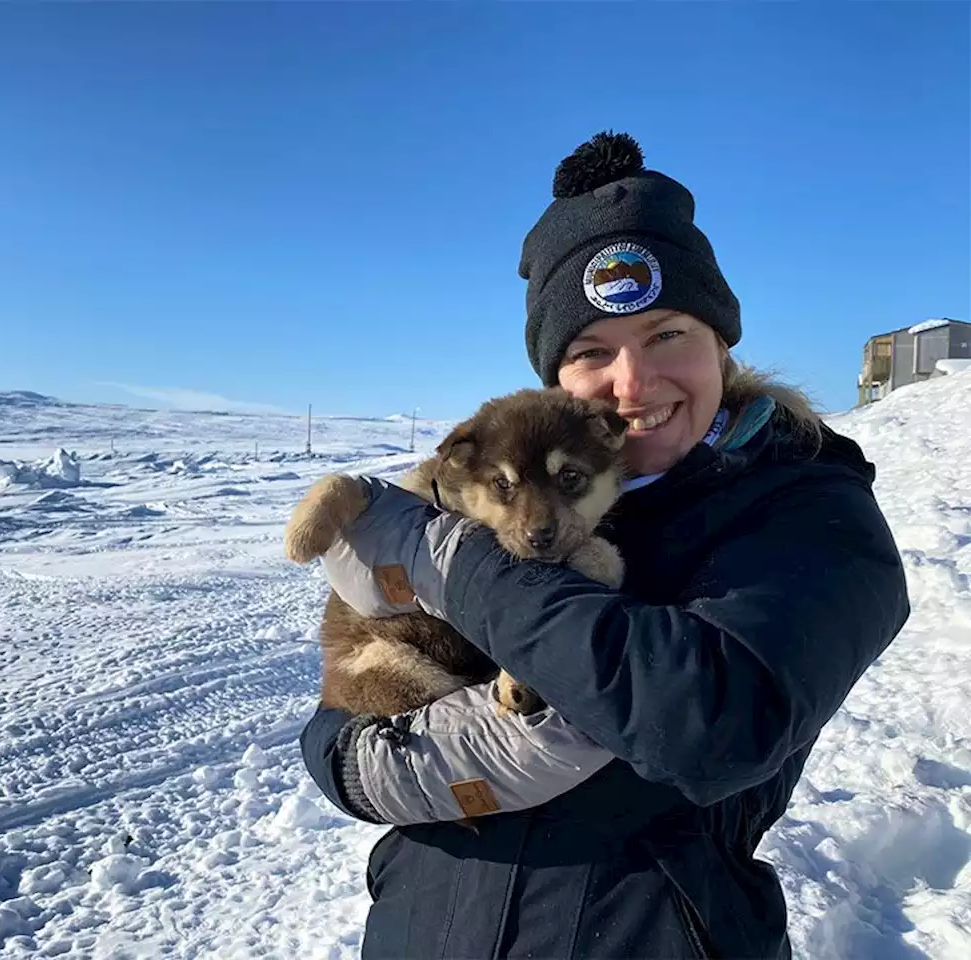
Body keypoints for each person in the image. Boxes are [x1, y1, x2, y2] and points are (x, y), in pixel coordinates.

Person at [299, 131, 910, 959]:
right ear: (559, 381)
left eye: (668, 336)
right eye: (592, 352)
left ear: (721, 344)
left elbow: (708, 723)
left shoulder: (810, 511)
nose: (633, 386)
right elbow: (348, 696)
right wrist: (345, 760)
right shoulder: (510, 479)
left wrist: (455, 565)